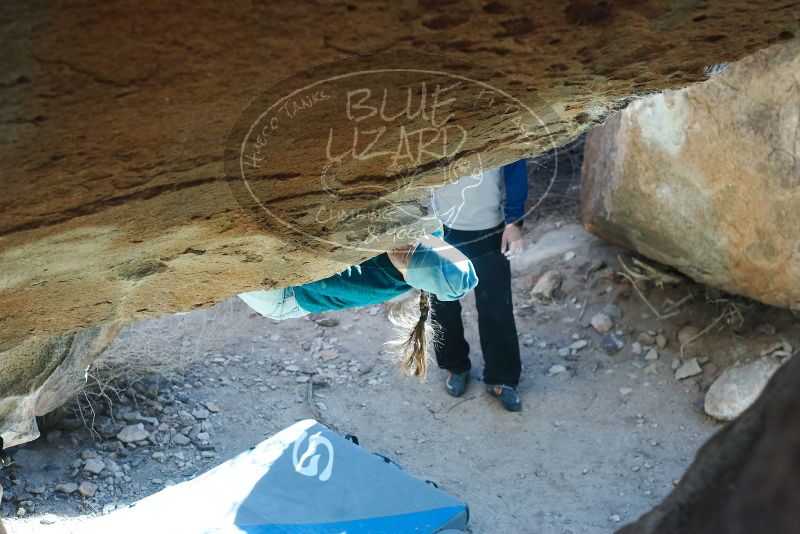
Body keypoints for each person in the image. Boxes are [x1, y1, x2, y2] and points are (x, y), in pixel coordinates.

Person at [238, 234, 478, 378]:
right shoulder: (428, 233)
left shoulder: (376, 283)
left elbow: (308, 274)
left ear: (409, 276)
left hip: (286, 296)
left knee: (237, 260)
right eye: (412, 244)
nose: (400, 248)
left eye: (405, 256)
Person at [430, 159, 527, 411]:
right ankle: (455, 366)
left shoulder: (499, 123)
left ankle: (502, 378)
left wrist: (514, 222)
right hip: (443, 229)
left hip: (489, 230)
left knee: (496, 305)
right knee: (443, 303)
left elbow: (516, 167)